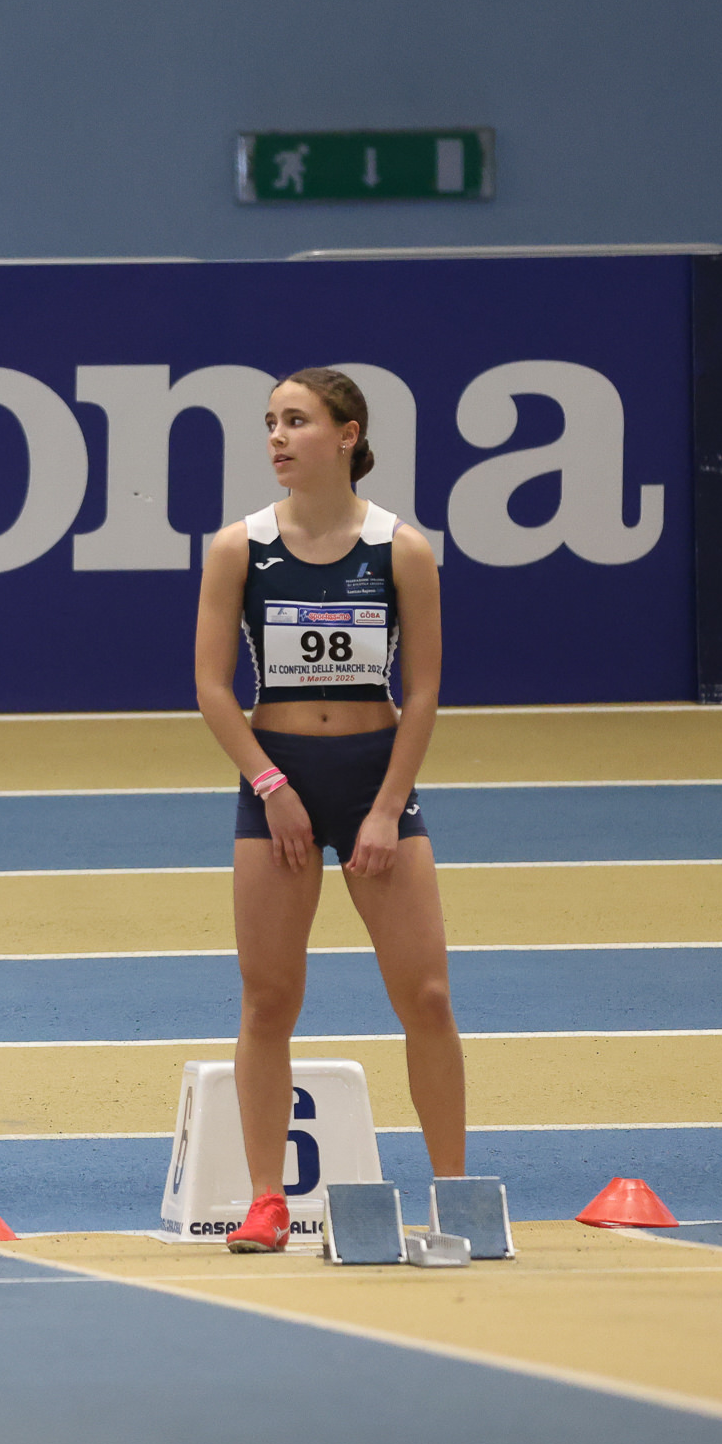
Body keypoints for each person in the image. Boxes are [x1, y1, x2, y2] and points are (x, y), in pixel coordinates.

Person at [193, 369, 466, 1253]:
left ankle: (454, 1193)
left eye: (297, 421)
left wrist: (385, 809)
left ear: (347, 436)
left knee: (427, 995)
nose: (277, 437)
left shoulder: (401, 549)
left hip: (374, 777)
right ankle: (267, 1200)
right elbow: (210, 687)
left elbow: (423, 692)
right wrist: (271, 787)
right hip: (278, 778)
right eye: (270, 422)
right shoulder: (238, 547)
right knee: (269, 998)